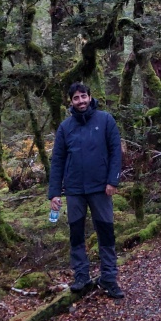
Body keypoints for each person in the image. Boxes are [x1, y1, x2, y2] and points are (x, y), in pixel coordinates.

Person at [49, 82, 124, 299]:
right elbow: (58, 161)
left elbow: (115, 153)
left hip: (101, 188)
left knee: (106, 232)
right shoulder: (65, 128)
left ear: (90, 97)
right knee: (76, 234)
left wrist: (113, 181)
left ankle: (109, 277)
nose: (80, 101)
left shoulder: (105, 120)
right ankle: (81, 276)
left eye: (83, 96)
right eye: (76, 98)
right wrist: (55, 192)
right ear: (70, 101)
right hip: (74, 190)